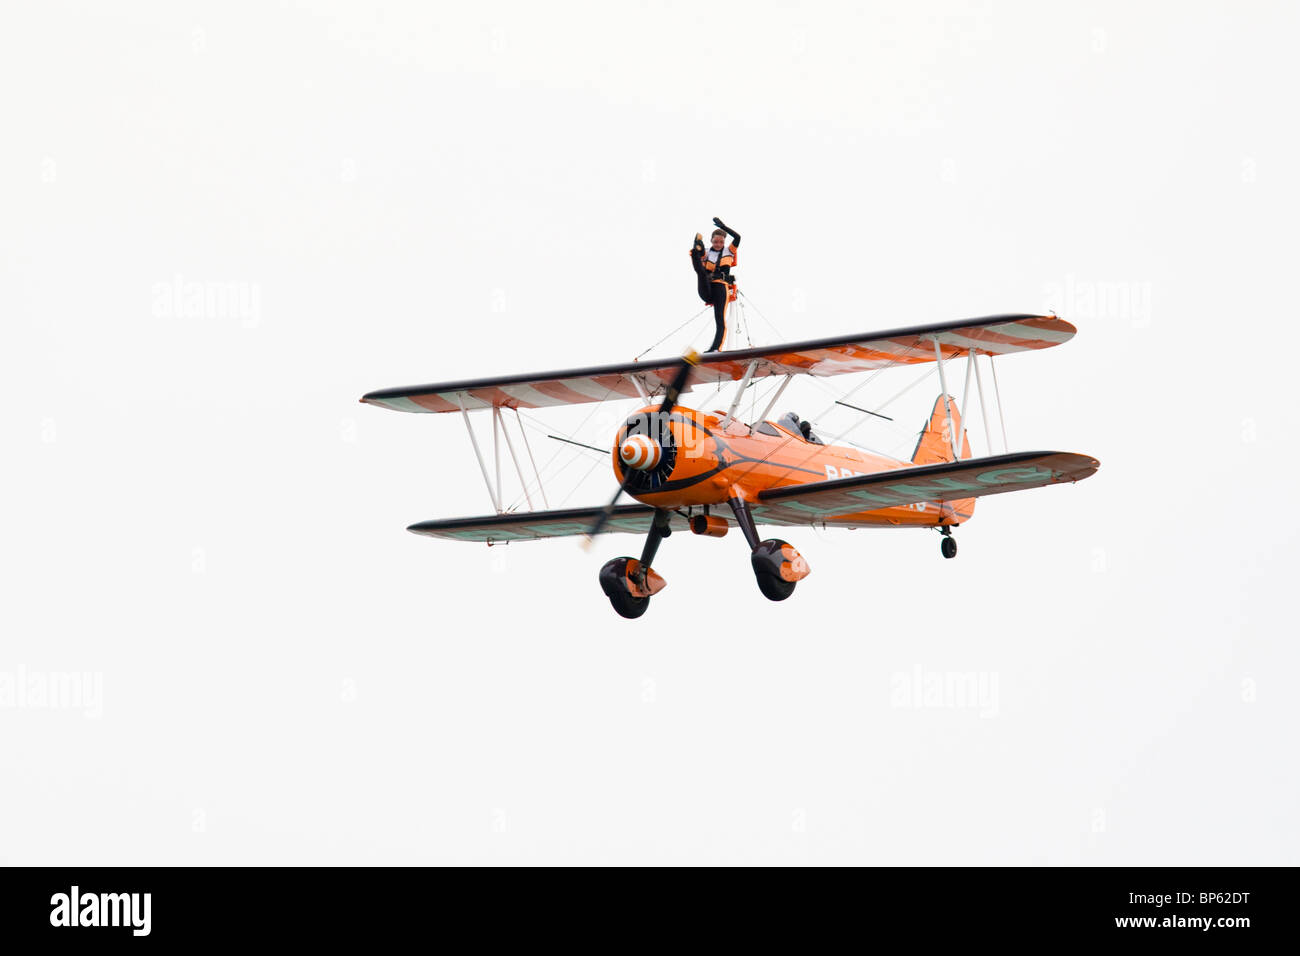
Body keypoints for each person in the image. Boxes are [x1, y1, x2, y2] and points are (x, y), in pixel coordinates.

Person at [690, 216, 740, 351]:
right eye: (715, 241)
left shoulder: (729, 250)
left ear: (724, 242)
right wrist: (698, 250)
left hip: (720, 288)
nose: (718, 244)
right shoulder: (707, 253)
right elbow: (699, 261)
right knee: (699, 267)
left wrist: (723, 227)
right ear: (711, 241)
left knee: (719, 318)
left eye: (721, 242)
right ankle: (696, 244)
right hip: (707, 288)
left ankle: (715, 349)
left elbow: (738, 237)